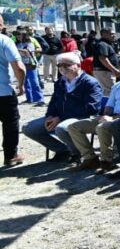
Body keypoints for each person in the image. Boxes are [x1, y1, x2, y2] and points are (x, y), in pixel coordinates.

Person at [65, 59, 120, 172]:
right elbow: (110, 104)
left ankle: (107, 161)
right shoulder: (118, 85)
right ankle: (90, 158)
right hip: (112, 117)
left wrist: (112, 118)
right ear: (119, 70)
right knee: (74, 126)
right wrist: (104, 116)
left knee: (102, 127)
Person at [23, 52, 102, 162]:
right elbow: (53, 102)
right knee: (29, 128)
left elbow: (91, 108)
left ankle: (78, 153)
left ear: (78, 65)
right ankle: (63, 150)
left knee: (62, 128)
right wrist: (50, 115)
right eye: (59, 65)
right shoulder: (60, 82)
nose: (62, 68)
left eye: (67, 65)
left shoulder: (90, 82)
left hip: (81, 117)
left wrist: (60, 118)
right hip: (60, 117)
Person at [0, 32, 25, 166]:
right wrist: (20, 85)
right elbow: (19, 67)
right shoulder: (4, 40)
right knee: (10, 124)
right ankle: (10, 156)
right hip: (3, 92)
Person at [15, 31, 44, 106]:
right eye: (17, 35)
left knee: (34, 82)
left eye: (19, 34)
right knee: (25, 83)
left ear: (24, 36)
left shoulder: (29, 43)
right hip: (22, 65)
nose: (18, 36)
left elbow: (27, 53)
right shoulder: (17, 44)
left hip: (30, 65)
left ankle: (40, 99)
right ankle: (29, 99)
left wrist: (17, 50)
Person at [91, 27, 120, 97]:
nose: (114, 36)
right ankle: (108, 107)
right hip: (105, 72)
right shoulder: (102, 44)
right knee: (109, 93)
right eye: (112, 34)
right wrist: (114, 70)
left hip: (106, 72)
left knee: (108, 92)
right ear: (104, 34)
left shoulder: (106, 44)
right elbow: (103, 58)